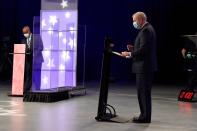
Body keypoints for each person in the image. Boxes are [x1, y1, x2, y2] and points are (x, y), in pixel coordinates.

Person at [122, 12, 157, 123]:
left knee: (143, 93)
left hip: (144, 68)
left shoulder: (146, 30)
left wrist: (130, 54)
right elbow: (143, 47)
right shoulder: (146, 29)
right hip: (144, 67)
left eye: (135, 20)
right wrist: (133, 48)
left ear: (141, 19)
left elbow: (144, 50)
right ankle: (144, 115)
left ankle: (145, 117)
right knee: (143, 93)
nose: (134, 23)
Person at [21, 26, 33, 94]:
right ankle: (26, 89)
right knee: (28, 73)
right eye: (23, 33)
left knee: (36, 74)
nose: (25, 34)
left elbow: (41, 47)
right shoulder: (23, 40)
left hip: (35, 59)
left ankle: (36, 87)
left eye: (25, 33)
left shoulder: (35, 37)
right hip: (28, 59)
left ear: (29, 31)